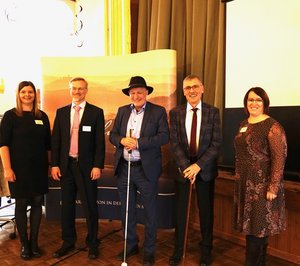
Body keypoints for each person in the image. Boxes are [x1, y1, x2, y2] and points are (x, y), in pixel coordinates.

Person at [109, 76, 169, 266]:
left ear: (147, 93)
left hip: (146, 169)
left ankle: (150, 250)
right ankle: (131, 245)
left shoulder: (158, 112)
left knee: (150, 212)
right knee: (127, 210)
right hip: (125, 169)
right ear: (129, 95)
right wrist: (121, 140)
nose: (136, 95)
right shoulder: (121, 111)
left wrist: (138, 143)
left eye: (140, 92)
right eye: (133, 92)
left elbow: (164, 136)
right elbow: (112, 135)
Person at [169, 75, 222, 266]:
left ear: (203, 88)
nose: (191, 91)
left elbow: (216, 144)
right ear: (183, 91)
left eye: (195, 87)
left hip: (205, 170)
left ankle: (206, 252)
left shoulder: (213, 112)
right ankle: (178, 251)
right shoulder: (175, 113)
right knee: (181, 212)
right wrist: (186, 167)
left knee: (206, 214)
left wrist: (198, 166)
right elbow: (174, 143)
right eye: (187, 88)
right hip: (183, 170)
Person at [51, 77, 105, 260]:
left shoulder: (96, 113)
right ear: (70, 90)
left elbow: (99, 144)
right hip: (66, 167)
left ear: (86, 90)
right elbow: (56, 141)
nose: (77, 91)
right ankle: (68, 242)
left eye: (81, 89)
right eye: (74, 88)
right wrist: (55, 164)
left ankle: (92, 243)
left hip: (87, 168)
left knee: (90, 206)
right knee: (66, 207)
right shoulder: (61, 112)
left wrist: (98, 165)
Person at [233, 87, 287, 266]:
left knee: (258, 232)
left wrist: (273, 186)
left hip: (262, 187)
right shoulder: (244, 124)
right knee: (254, 232)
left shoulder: (272, 126)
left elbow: (279, 157)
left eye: (258, 100)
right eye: (250, 100)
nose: (253, 103)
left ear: (265, 103)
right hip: (245, 185)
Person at [0, 81, 51, 260]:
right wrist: (7, 168)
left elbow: (48, 146)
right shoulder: (10, 116)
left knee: (37, 203)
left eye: (30, 92)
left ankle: (34, 243)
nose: (27, 95)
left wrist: (50, 166)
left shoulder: (42, 116)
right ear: (18, 94)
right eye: (24, 92)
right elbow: (3, 144)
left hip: (38, 169)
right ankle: (24, 244)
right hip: (18, 170)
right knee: (21, 205)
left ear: (35, 95)